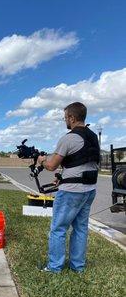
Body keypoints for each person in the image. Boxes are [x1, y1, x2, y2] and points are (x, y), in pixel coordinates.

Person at [37, 102, 100, 273]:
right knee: (80, 228)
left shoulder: (69, 138)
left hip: (72, 191)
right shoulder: (93, 137)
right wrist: (63, 177)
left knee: (58, 229)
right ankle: (77, 267)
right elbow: (81, 162)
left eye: (65, 117)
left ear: (72, 118)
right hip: (89, 190)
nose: (65, 120)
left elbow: (51, 166)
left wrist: (41, 159)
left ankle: (55, 267)